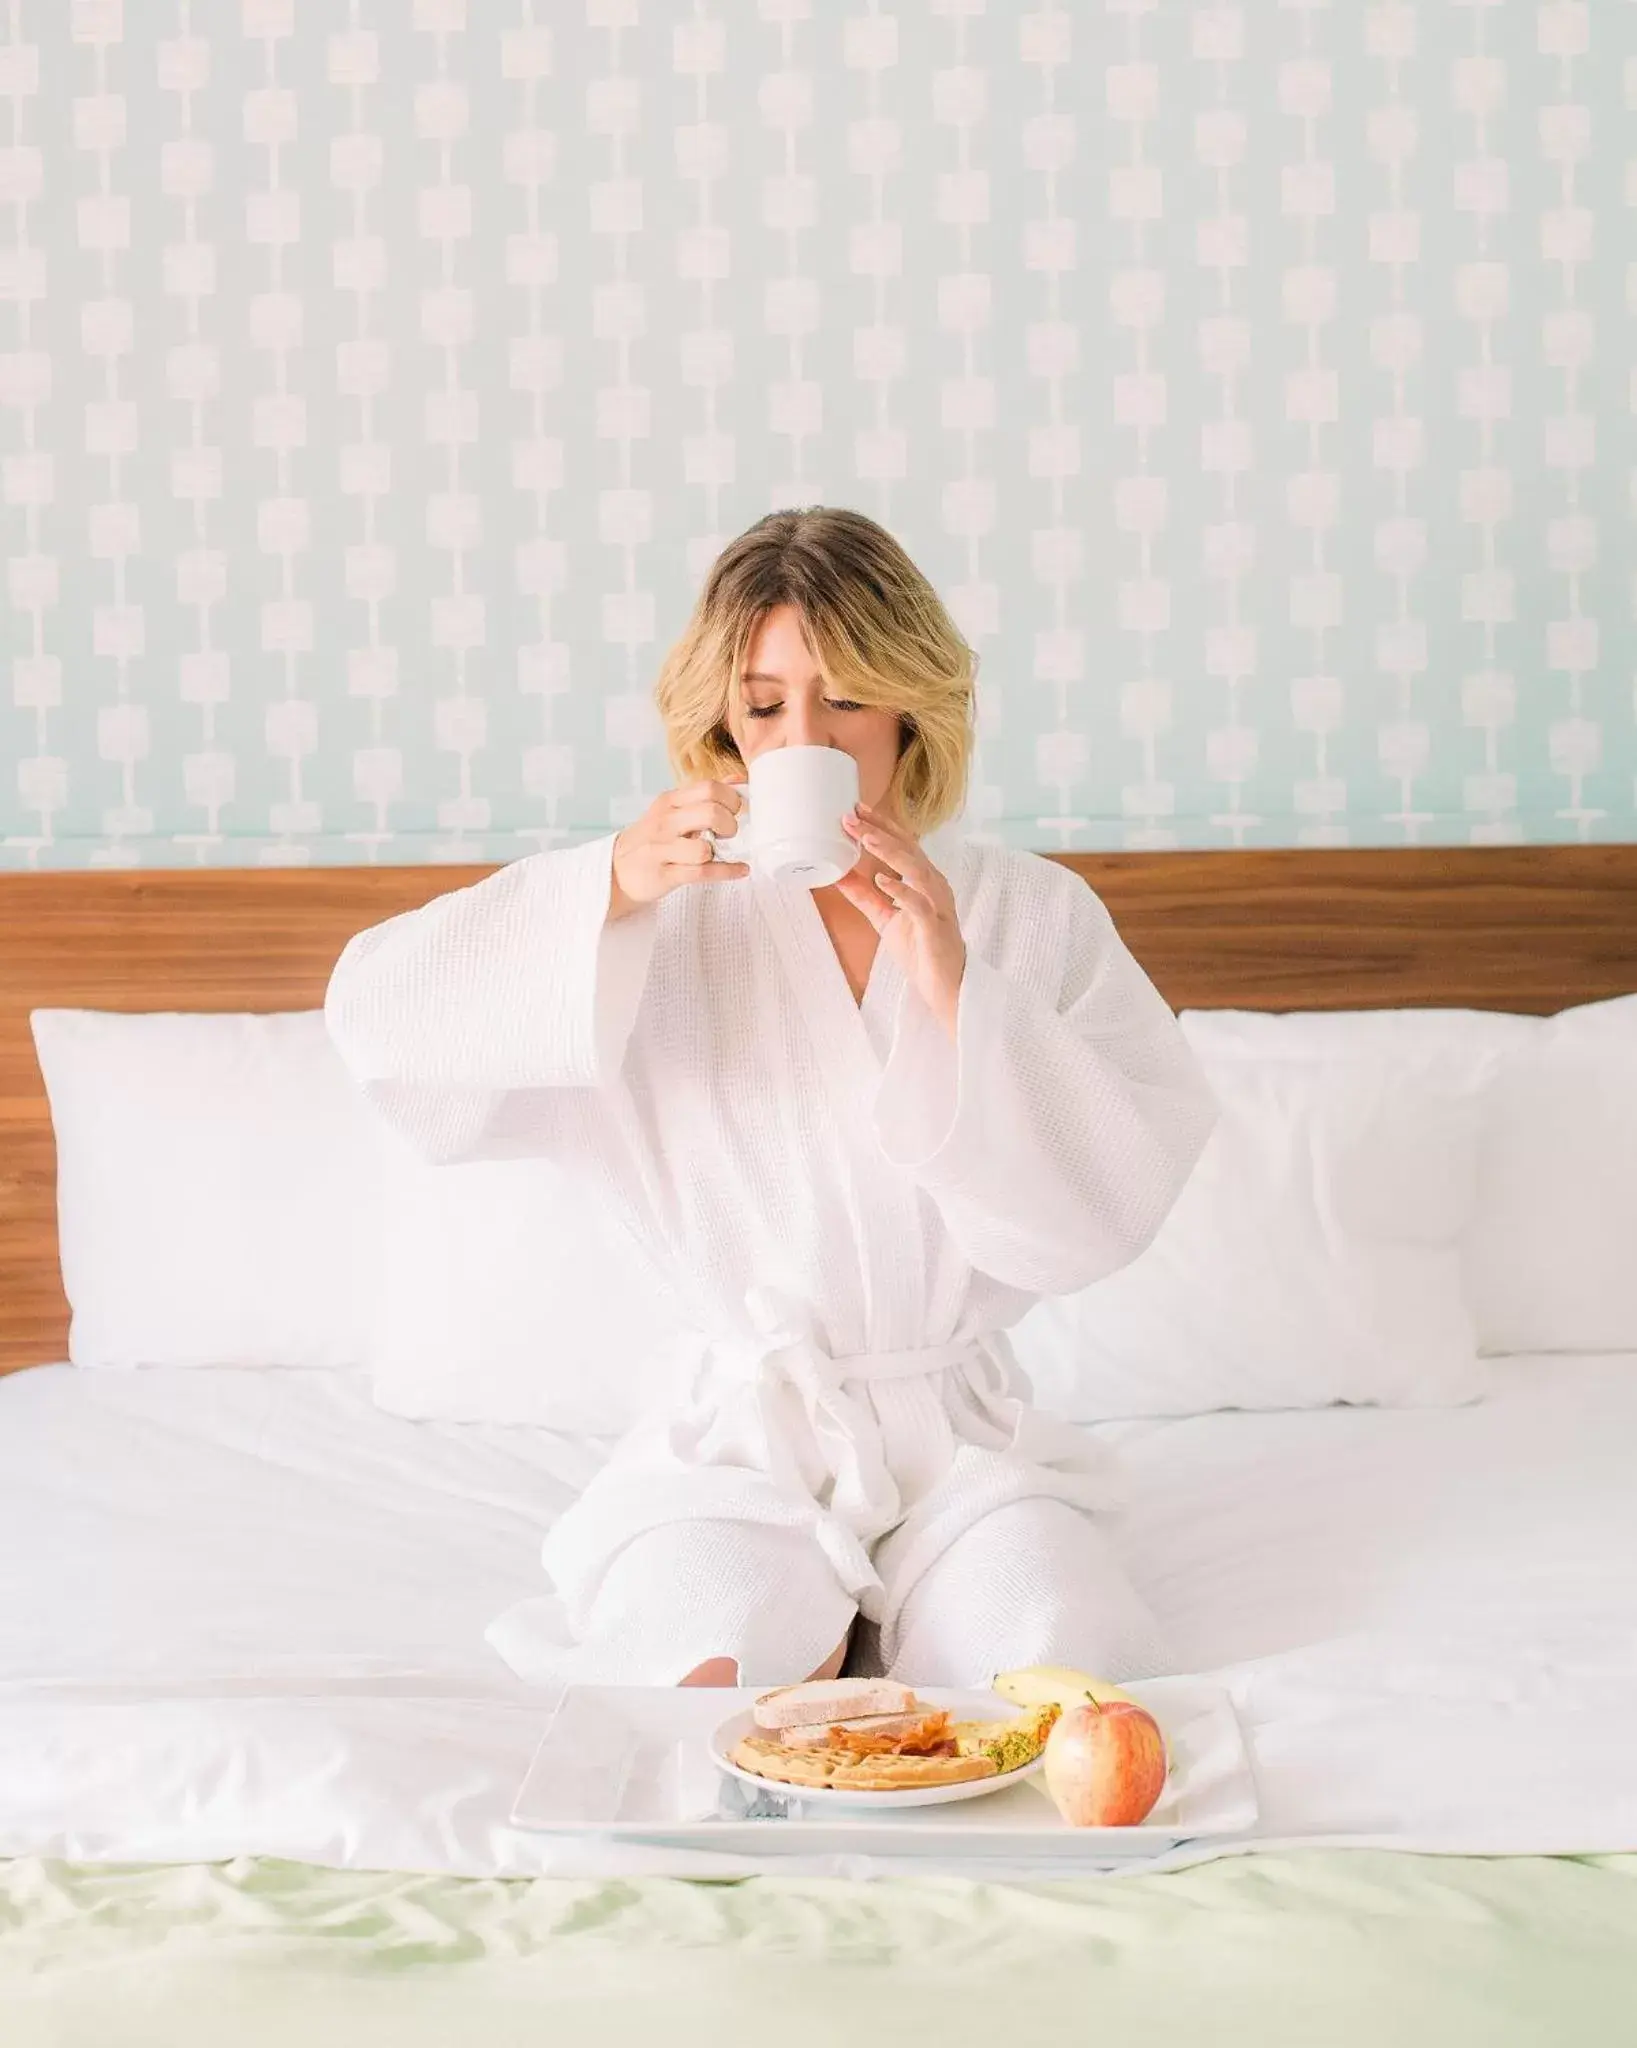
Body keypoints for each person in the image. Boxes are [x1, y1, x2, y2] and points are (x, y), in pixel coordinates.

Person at [324, 507, 1221, 1691]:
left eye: (844, 696)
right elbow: (382, 1025)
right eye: (764, 706)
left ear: (909, 706)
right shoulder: (658, 914)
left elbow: (1109, 1191)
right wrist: (602, 889)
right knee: (704, 1681)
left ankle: (921, 1610)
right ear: (724, 726)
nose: (806, 736)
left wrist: (955, 980)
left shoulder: (1025, 912)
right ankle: (795, 1621)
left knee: (1053, 1666)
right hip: (733, 1440)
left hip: (962, 1441)